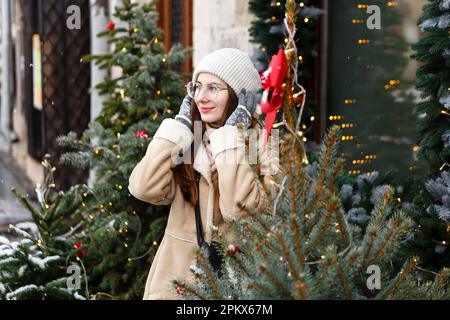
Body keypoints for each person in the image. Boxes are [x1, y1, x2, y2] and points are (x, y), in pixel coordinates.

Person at [128, 48, 270, 299]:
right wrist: (179, 126)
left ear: (238, 96)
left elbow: (240, 211)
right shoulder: (186, 142)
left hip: (237, 289)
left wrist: (230, 135)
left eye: (213, 88)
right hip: (176, 285)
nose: (200, 98)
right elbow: (143, 187)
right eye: (197, 87)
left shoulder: (265, 146)